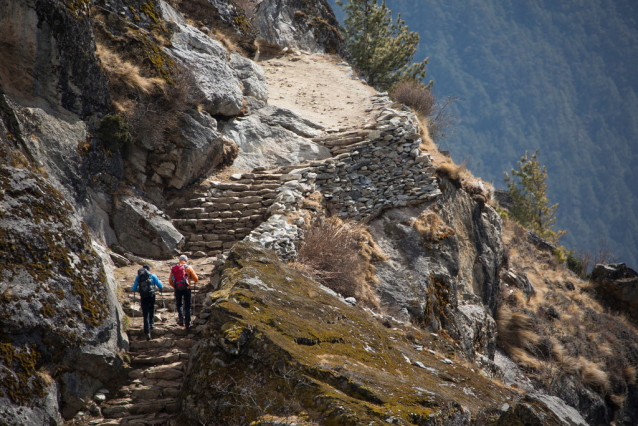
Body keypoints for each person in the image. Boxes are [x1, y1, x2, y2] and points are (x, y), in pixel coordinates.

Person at [132, 264, 163, 340]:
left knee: (145, 313)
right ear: (149, 269)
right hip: (151, 295)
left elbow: (134, 289)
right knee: (151, 308)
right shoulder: (153, 275)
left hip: (143, 296)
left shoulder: (138, 276)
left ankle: (147, 331)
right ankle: (151, 324)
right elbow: (160, 286)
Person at [169, 254, 198, 330]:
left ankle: (181, 318)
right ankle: (187, 324)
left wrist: (175, 286)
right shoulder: (188, 267)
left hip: (177, 289)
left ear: (179, 261)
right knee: (187, 305)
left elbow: (170, 281)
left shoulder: (174, 268)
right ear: (186, 260)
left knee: (179, 304)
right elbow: (196, 279)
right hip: (187, 288)